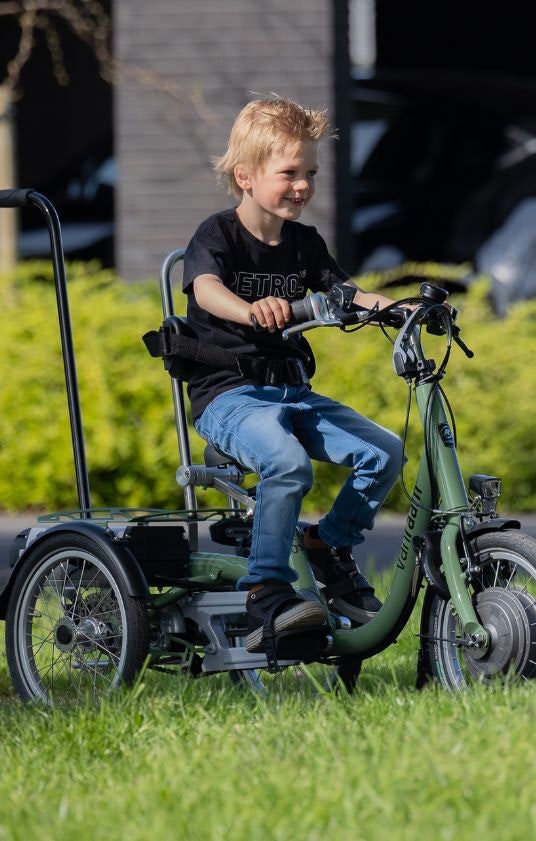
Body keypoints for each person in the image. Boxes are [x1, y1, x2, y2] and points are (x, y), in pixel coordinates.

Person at [182, 94, 404, 652]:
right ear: (246, 176)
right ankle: (265, 588)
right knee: (287, 462)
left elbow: (345, 294)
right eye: (289, 173)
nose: (302, 185)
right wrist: (248, 307)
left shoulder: (305, 243)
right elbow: (205, 288)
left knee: (384, 451)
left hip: (291, 393)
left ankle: (329, 546)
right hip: (229, 397)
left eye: (310, 173)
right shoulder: (218, 235)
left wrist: (398, 310)